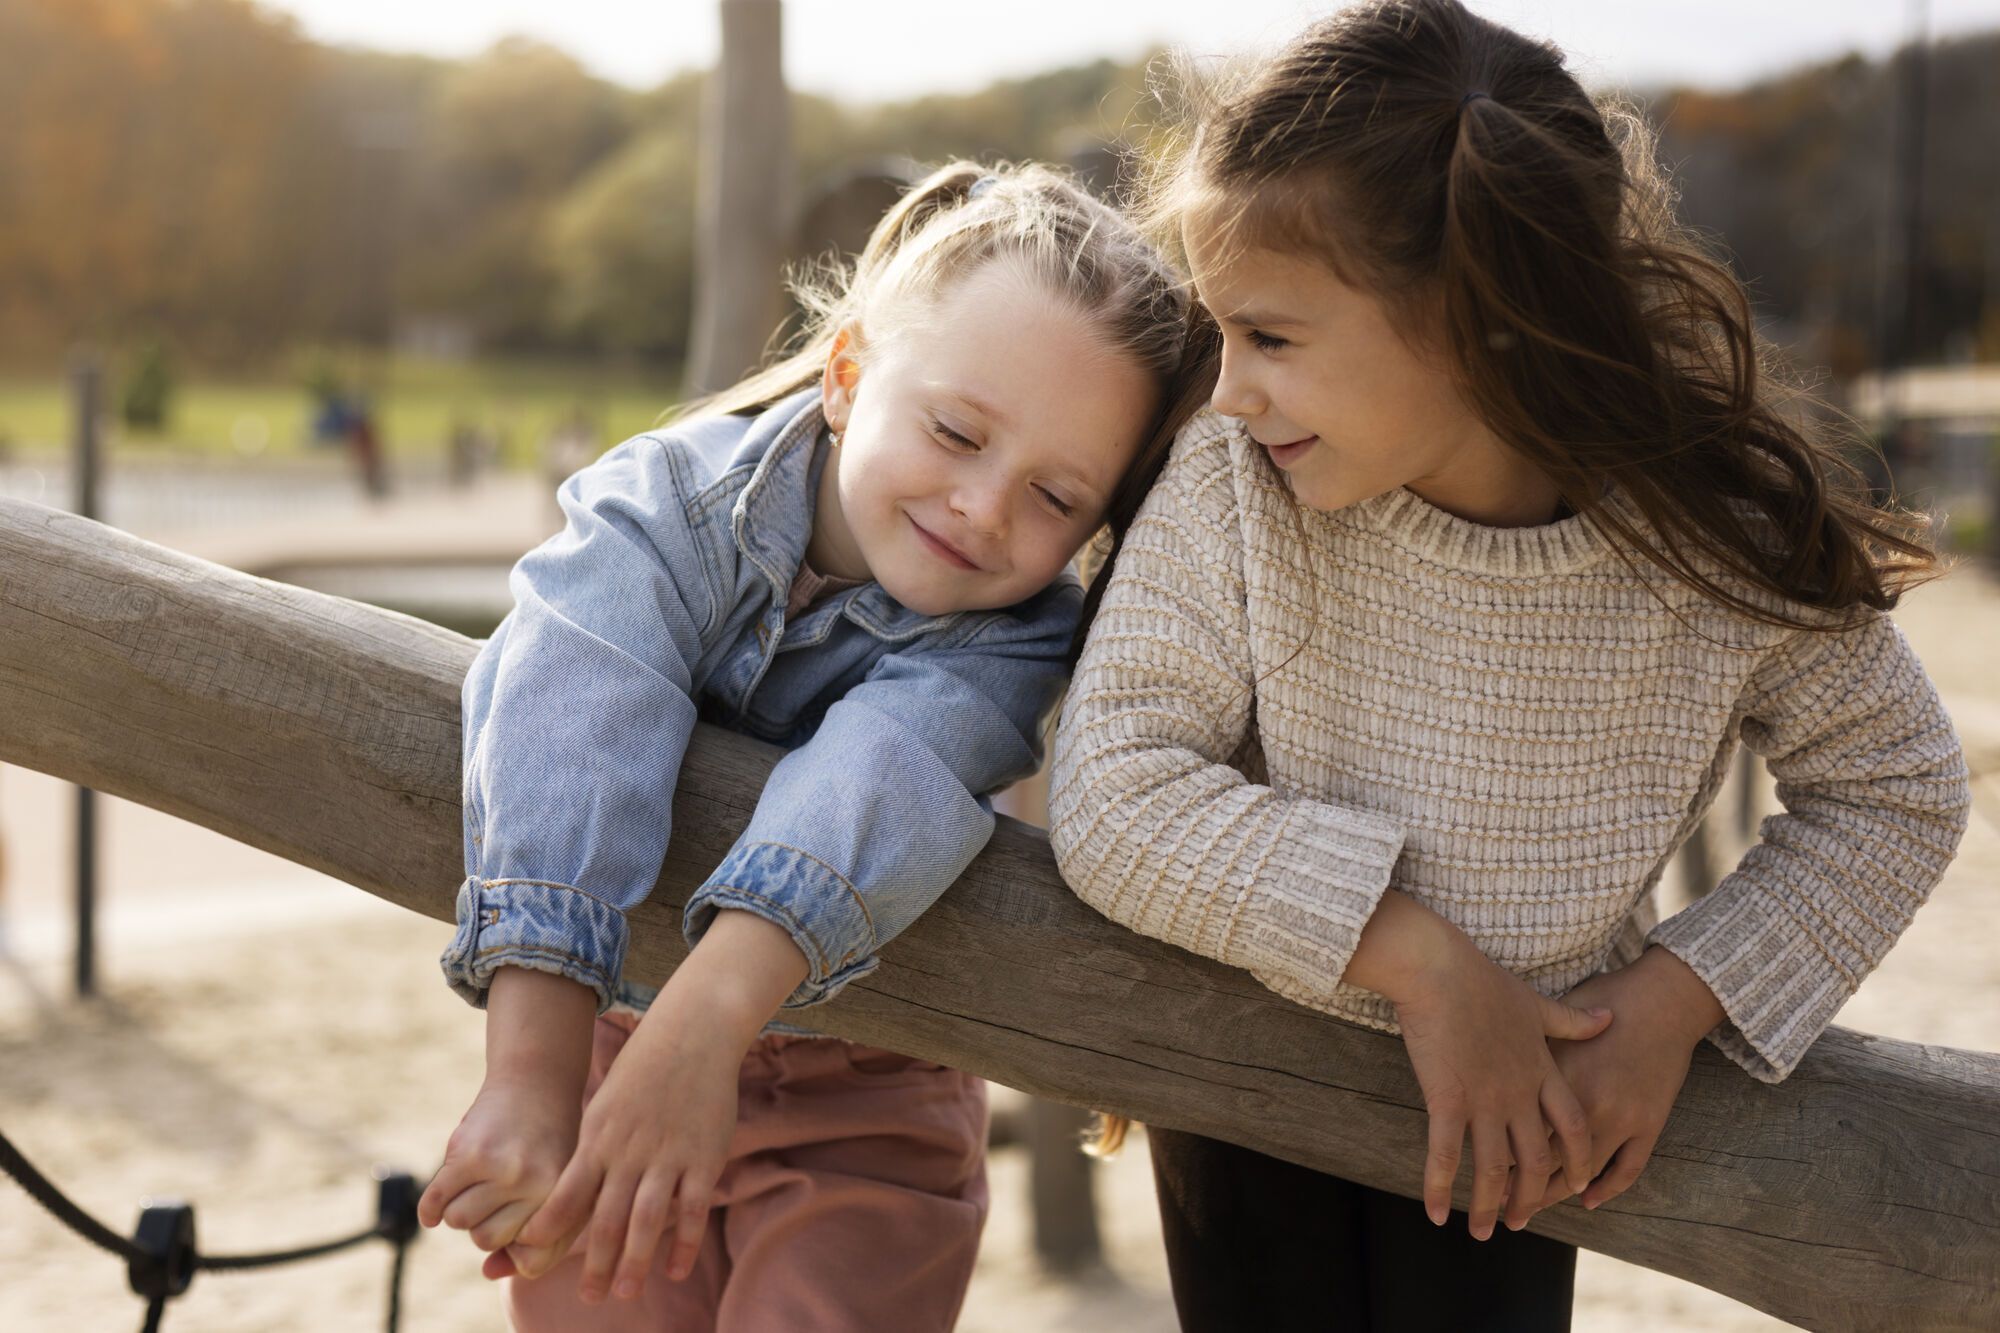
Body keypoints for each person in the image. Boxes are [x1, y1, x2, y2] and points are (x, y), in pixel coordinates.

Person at [1046, 4, 1971, 1330]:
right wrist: (1423, 962)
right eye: (1221, 329)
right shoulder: (1231, 483)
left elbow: (1896, 788)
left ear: (1479, 322)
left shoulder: (1703, 538)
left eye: (1274, 337)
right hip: (1238, 1074)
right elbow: (1116, 792)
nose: (1228, 386)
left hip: (1526, 1123)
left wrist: (1667, 1008)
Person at [411, 159, 1193, 1332]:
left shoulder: (1016, 637)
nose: (985, 508)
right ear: (845, 376)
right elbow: (574, 695)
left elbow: (885, 770)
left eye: (1055, 498)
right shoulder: (667, 505)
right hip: (598, 1034)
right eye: (955, 431)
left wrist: (707, 1021)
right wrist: (531, 1072)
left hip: (871, 1086)